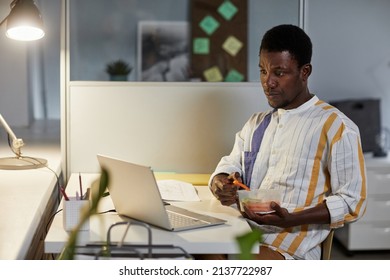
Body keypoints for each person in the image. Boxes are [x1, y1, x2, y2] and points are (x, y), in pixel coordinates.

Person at [208, 24, 367, 260]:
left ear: (305, 72)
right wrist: (220, 183)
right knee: (189, 249)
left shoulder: (336, 127)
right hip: (247, 233)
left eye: (279, 73)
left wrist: (291, 219)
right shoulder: (256, 123)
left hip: (292, 247)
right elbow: (230, 165)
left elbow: (352, 201)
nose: (268, 82)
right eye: (263, 71)